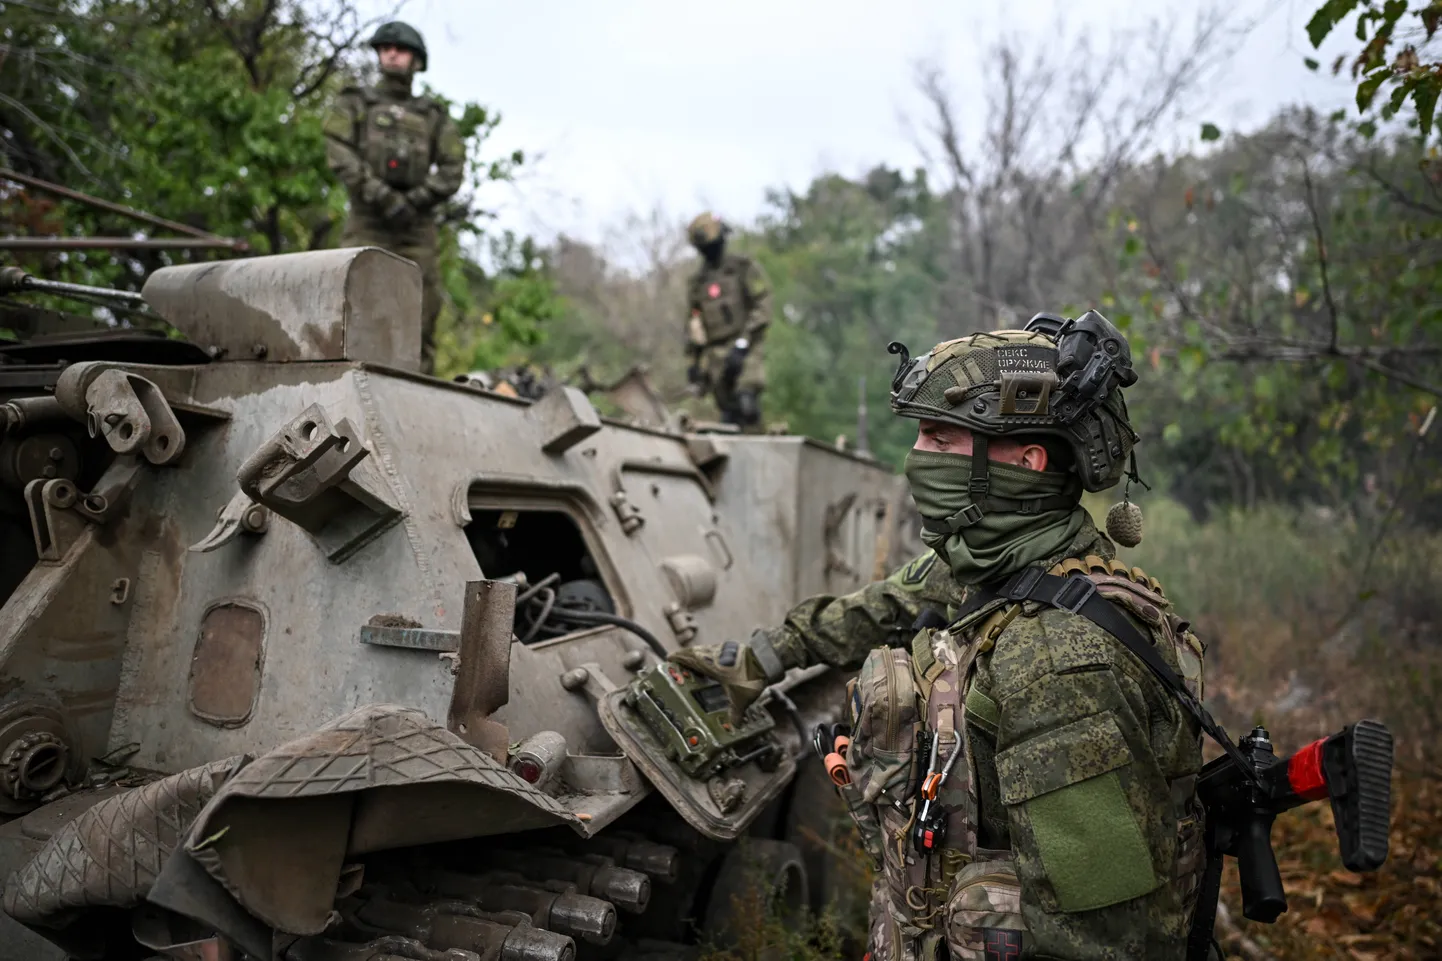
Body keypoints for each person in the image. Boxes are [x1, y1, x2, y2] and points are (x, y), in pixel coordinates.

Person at [672, 314, 1211, 959]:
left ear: (1024, 462)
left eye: (940, 438)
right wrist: (758, 659)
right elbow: (875, 609)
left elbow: (1100, 939)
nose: (916, 460)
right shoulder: (990, 563)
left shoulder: (1059, 665)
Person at [324, 21, 464, 374]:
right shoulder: (356, 101)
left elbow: (452, 167)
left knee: (423, 306)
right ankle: (347, 380)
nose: (391, 53)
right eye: (385, 48)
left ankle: (419, 388)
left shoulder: (433, 115)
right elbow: (338, 151)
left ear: (416, 60)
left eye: (400, 49)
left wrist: (416, 199)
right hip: (367, 216)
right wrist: (379, 195)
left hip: (416, 224)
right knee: (353, 297)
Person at [684, 213, 772, 430]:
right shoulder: (698, 283)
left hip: (747, 344)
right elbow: (694, 324)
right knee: (729, 414)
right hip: (716, 355)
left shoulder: (742, 267)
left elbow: (763, 304)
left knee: (747, 402)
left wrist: (743, 344)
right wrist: (694, 365)